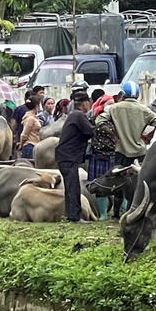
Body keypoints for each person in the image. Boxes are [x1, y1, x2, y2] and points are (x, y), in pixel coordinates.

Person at [56, 91, 94, 223]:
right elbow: (89, 131)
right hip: (69, 157)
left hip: (64, 156)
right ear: (84, 104)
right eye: (88, 102)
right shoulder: (78, 115)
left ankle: (70, 215)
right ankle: (74, 217)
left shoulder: (73, 115)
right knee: (73, 187)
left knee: (70, 187)